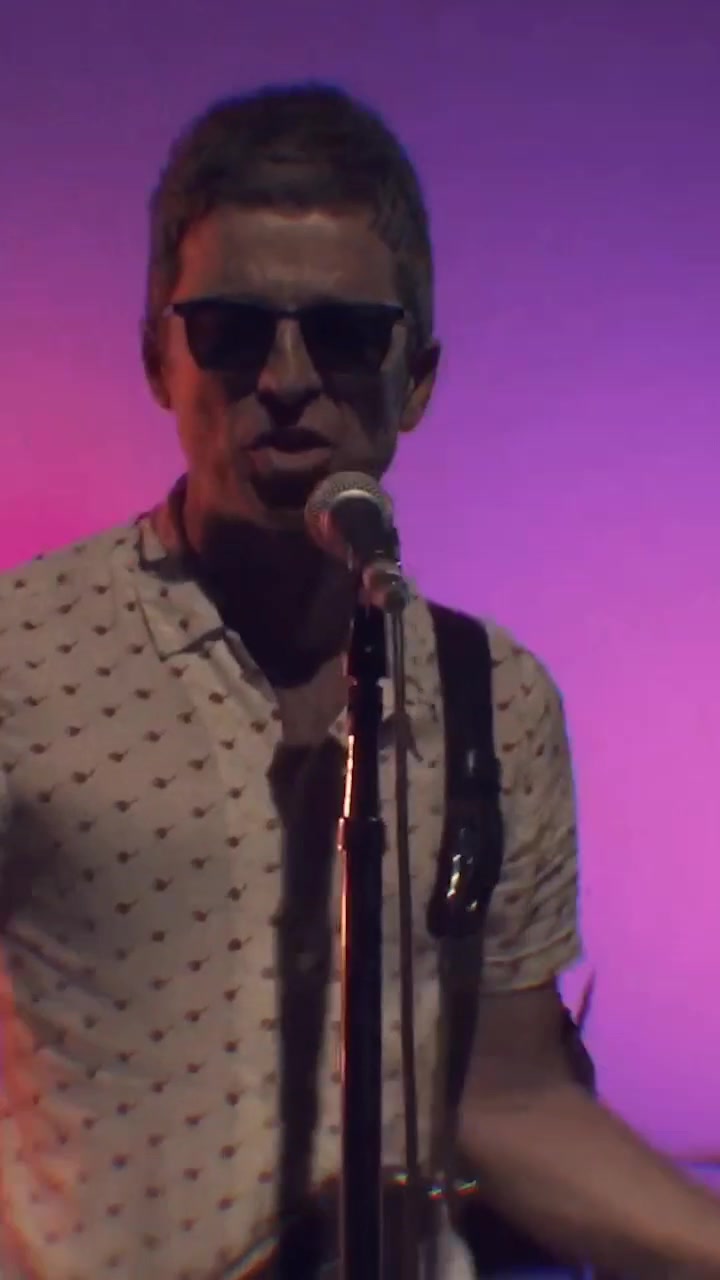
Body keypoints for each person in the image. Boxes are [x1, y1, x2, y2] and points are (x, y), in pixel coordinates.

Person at [0, 82, 719, 1280]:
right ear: (158, 357)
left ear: (417, 376)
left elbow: (509, 1097)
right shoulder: (22, 655)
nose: (287, 377)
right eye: (232, 329)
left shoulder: (494, 695)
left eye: (342, 335)